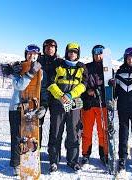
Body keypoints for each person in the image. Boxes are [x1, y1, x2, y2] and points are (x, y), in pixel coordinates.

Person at [47, 42, 88, 172]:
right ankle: (54, 161)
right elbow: (50, 82)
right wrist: (60, 96)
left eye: (75, 52)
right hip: (58, 104)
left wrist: (70, 95)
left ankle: (73, 160)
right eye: (70, 52)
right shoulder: (58, 64)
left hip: (74, 104)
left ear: (78, 54)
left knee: (73, 133)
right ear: (66, 52)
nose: (72, 54)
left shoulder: (82, 68)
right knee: (56, 132)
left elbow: (83, 85)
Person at [7, 44, 42, 176]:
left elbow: (39, 89)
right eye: (29, 53)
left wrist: (41, 105)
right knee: (17, 137)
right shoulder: (19, 68)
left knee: (30, 136)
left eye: (34, 54)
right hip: (16, 107)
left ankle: (28, 159)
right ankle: (16, 163)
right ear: (25, 54)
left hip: (31, 107)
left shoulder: (39, 70)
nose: (31, 56)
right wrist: (30, 72)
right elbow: (19, 86)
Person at [81, 45, 108, 166]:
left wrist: (113, 85)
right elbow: (82, 83)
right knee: (87, 131)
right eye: (96, 54)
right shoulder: (87, 67)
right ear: (93, 54)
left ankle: (104, 154)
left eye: (100, 53)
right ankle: (86, 154)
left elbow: (110, 87)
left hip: (102, 105)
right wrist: (88, 91)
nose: (98, 56)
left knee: (103, 131)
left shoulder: (108, 68)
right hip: (88, 104)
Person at [37, 39, 63, 148]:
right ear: (44, 49)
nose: (50, 48)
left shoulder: (60, 61)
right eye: (47, 47)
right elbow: (26, 63)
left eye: (52, 47)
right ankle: (35, 148)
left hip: (55, 96)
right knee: (37, 122)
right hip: (40, 96)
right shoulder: (39, 60)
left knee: (55, 125)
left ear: (55, 49)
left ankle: (53, 152)